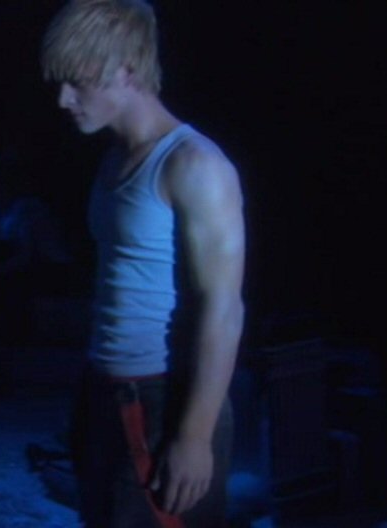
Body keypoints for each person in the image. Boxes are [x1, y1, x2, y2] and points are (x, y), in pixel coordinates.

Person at [40, 1, 246, 526]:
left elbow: (224, 307)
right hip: (105, 391)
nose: (63, 100)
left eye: (76, 82)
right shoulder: (113, 158)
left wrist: (194, 436)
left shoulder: (195, 164)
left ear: (126, 68)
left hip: (160, 399)